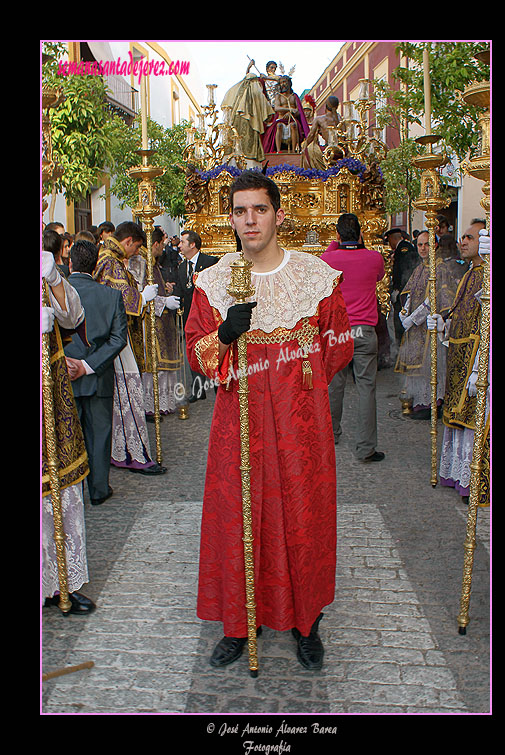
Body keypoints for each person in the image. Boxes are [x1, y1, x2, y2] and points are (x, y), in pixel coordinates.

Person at [186, 170, 353, 670]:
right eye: (240, 211)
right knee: (240, 517)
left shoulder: (315, 276)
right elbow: (197, 353)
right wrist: (224, 334)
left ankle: (307, 623)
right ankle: (241, 623)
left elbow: (340, 342)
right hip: (236, 425)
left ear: (278, 214)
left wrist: (300, 364)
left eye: (259, 209)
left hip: (302, 424)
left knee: (303, 517)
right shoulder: (214, 282)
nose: (249, 220)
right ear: (231, 218)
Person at [41, 248, 96, 615]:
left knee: (60, 486)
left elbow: (73, 315)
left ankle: (61, 580)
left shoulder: (46, 265)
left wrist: (54, 278)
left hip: (51, 387)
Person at [94, 221, 166, 475]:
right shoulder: (110, 261)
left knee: (124, 395)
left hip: (114, 336)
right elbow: (117, 298)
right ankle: (133, 452)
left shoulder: (107, 257)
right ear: (128, 242)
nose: (136, 253)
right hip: (117, 338)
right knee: (129, 392)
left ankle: (123, 448)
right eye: (136, 248)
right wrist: (142, 297)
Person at [428, 221, 489, 505]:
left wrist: (479, 367)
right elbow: (460, 313)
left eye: (470, 237)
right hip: (460, 356)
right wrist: (444, 323)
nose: (463, 241)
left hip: (478, 360)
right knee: (458, 416)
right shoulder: (469, 275)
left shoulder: (487, 275)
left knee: (474, 419)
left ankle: (475, 480)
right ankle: (459, 477)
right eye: (462, 236)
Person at [63, 240, 128, 506]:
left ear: (70, 263)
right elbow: (118, 339)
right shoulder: (111, 296)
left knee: (68, 435)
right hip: (98, 375)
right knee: (99, 433)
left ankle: (70, 491)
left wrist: (67, 362)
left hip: (64, 374)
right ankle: (99, 489)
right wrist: (89, 366)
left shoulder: (54, 293)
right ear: (96, 267)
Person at [321, 213, 385, 459]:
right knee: (366, 388)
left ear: (337, 236)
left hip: (338, 332)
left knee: (334, 386)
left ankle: (331, 435)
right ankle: (366, 448)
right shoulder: (373, 258)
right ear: (360, 234)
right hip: (365, 331)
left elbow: (324, 268)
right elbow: (378, 275)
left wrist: (336, 244)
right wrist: (360, 245)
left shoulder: (328, 259)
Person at [394, 230, 459, 418]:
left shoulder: (440, 268)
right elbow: (410, 292)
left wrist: (413, 318)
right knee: (417, 368)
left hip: (430, 327)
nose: (423, 248)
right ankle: (419, 401)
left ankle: (432, 402)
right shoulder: (420, 267)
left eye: (427, 244)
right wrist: (403, 312)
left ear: (435, 245)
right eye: (420, 244)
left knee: (431, 366)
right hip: (415, 328)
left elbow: (434, 299)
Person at [130, 227, 181, 418]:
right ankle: (151, 406)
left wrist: (165, 292)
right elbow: (137, 294)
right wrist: (163, 301)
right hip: (148, 321)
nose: (164, 248)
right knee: (153, 366)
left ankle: (163, 404)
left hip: (161, 319)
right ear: (156, 244)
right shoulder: (139, 262)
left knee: (162, 366)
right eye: (162, 244)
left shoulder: (152, 262)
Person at [174, 230, 218, 402]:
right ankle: (198, 388)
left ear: (192, 245)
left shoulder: (210, 262)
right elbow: (181, 290)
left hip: (207, 316)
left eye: (182, 242)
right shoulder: (182, 266)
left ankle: (216, 385)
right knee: (194, 350)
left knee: (211, 349)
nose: (179, 245)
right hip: (190, 317)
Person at [221, 62, 274, 165]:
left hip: (238, 123)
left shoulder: (239, 95)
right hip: (251, 125)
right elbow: (268, 113)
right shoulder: (256, 92)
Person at [385, 228, 420, 344]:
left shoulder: (404, 248)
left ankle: (402, 343)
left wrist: (398, 289)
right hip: (402, 289)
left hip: (404, 290)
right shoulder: (402, 247)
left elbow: (404, 269)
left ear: (393, 238)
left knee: (400, 318)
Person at [262, 75, 309, 154]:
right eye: (281, 83)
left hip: (292, 119)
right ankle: (278, 150)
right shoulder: (278, 96)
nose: (282, 84)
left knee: (293, 126)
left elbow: (298, 111)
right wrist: (289, 110)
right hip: (281, 119)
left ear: (289, 83)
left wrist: (292, 113)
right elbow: (277, 108)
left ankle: (294, 150)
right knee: (279, 126)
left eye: (284, 82)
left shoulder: (294, 96)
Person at [300, 95, 340, 170]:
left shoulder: (319, 119)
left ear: (326, 105)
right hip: (339, 149)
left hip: (327, 149)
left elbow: (311, 135)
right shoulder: (341, 120)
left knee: (310, 148)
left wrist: (304, 146)